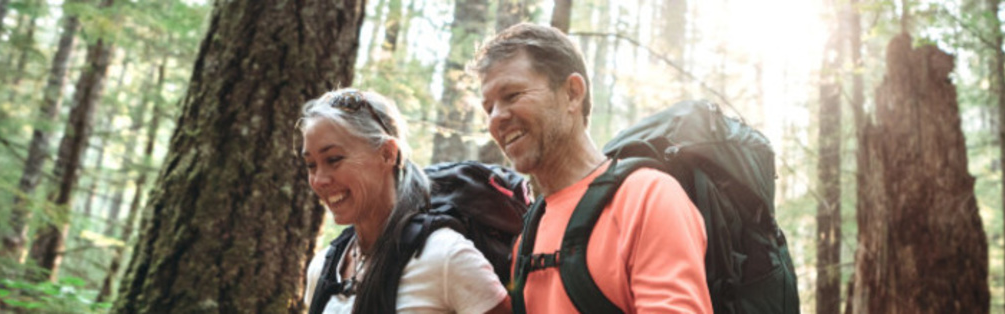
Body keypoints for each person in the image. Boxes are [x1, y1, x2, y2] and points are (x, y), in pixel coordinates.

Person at [471, 23, 714, 313]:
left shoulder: (647, 197)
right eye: (489, 108)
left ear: (573, 93)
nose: (496, 118)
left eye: (512, 95)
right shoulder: (528, 235)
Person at [299, 89, 508, 314]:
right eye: (311, 165)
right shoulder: (322, 269)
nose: (319, 180)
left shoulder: (446, 256)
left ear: (387, 154)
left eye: (334, 159)